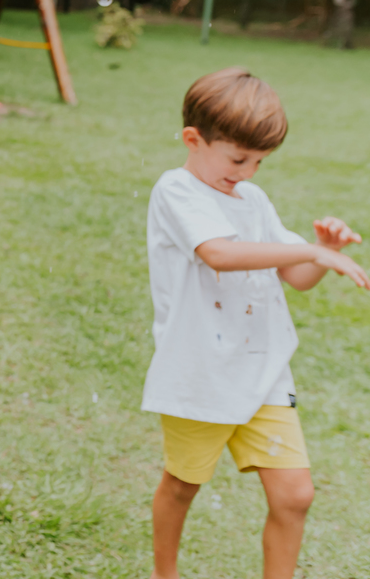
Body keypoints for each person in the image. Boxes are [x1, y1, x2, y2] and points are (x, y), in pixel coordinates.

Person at [143, 68, 368, 579]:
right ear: (193, 139)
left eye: (260, 162)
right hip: (199, 373)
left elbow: (296, 275)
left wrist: (322, 254)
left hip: (263, 374)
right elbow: (218, 253)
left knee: (296, 494)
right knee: (182, 486)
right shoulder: (176, 191)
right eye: (238, 158)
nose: (248, 172)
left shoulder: (254, 201)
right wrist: (309, 249)